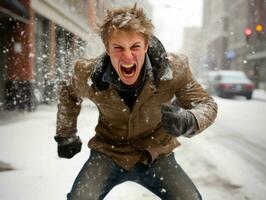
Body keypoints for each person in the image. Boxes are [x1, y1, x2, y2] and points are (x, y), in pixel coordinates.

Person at [54, 4, 217, 200]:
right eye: (118, 48)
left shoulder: (174, 71)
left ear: (146, 45)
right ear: (107, 48)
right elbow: (68, 91)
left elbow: (206, 104)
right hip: (108, 153)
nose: (128, 56)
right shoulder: (87, 74)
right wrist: (66, 134)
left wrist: (188, 120)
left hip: (156, 155)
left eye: (135, 47)